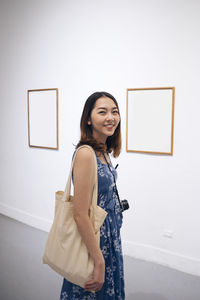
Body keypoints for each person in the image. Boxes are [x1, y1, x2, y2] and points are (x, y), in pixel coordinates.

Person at [60, 91, 125, 299]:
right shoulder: (86, 153)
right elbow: (79, 213)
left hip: (110, 237)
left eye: (114, 112)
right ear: (88, 118)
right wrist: (98, 259)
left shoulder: (103, 150)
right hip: (96, 240)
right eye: (102, 112)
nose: (110, 117)